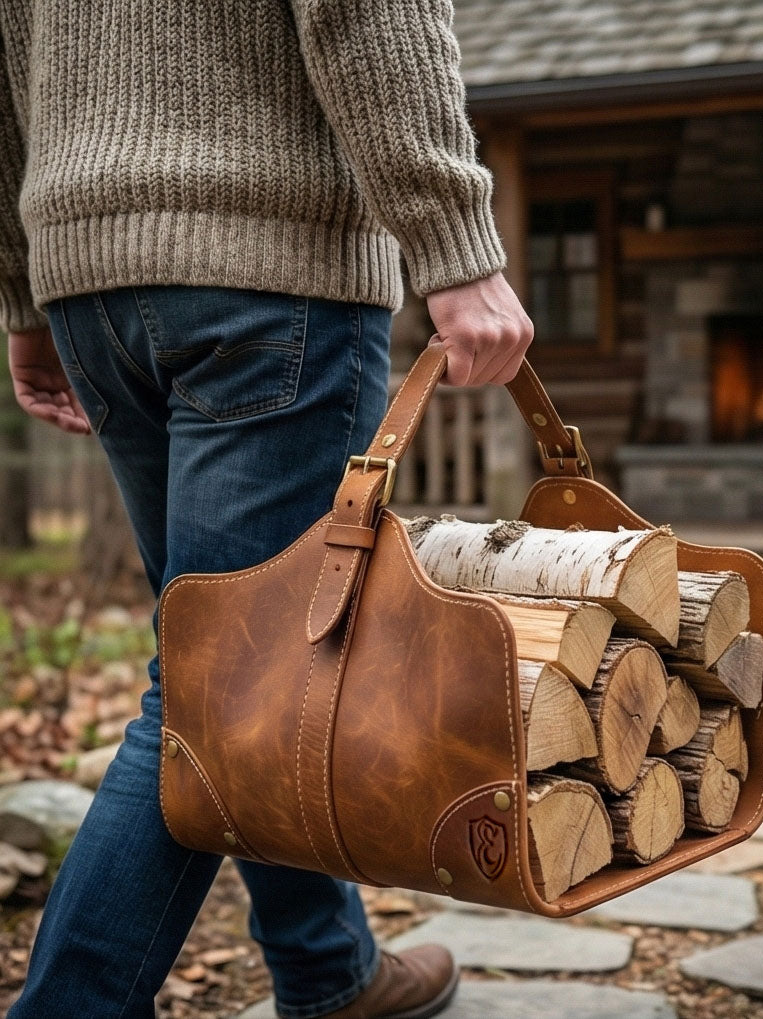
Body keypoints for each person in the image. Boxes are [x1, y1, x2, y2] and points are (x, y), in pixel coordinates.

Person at [1, 1, 533, 1016]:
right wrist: (456, 245)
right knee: (218, 695)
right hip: (265, 267)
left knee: (249, 664)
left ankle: (327, 966)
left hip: (89, 283)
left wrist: (27, 299)